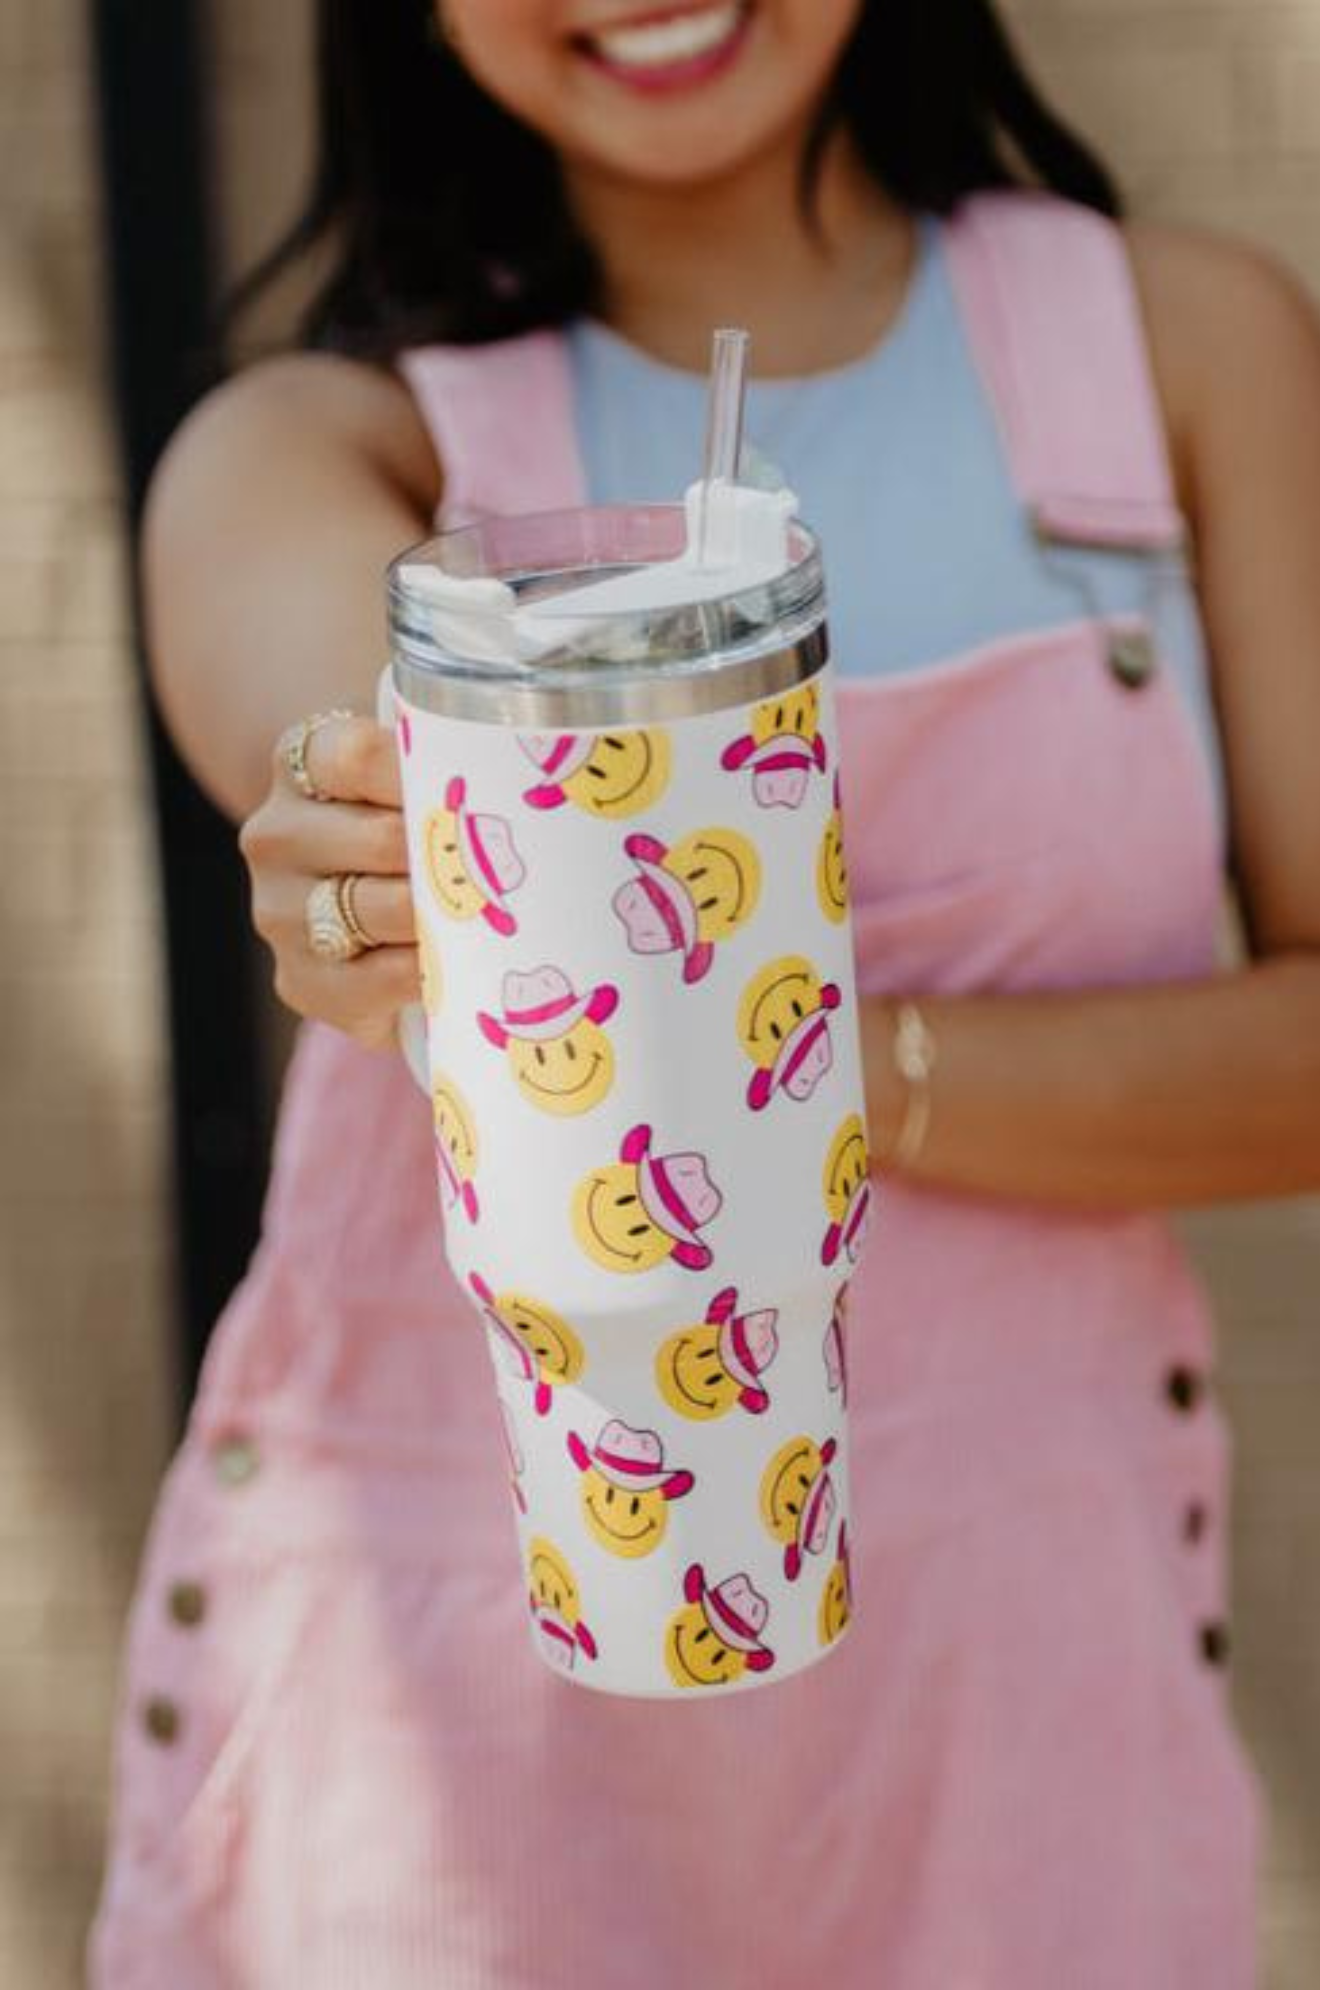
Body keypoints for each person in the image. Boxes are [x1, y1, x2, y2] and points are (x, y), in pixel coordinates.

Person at [89, 2, 1320, 1983]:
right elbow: (335, 708)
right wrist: (385, 854)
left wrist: (799, 1075)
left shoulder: (1187, 350)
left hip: (1021, 1744)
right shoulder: (333, 443)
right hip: (435, 1780)